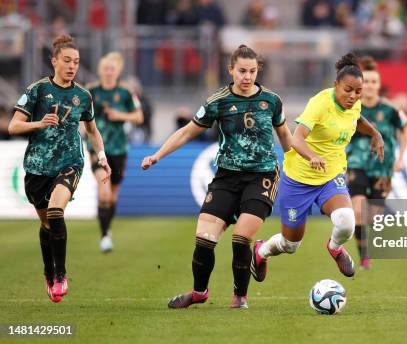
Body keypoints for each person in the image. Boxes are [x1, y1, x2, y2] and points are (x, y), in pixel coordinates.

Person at [141, 45, 292, 309]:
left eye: (252, 71)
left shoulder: (272, 101)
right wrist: (157, 155)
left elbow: (286, 138)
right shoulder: (218, 101)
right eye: (242, 71)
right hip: (226, 177)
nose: (247, 76)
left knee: (240, 238)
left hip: (262, 176)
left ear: (258, 71)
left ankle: (240, 297)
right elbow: (187, 132)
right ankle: (199, 293)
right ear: (231, 69)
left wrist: (300, 163)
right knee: (204, 240)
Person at [251, 53, 384, 283]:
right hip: (299, 177)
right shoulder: (320, 104)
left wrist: (375, 133)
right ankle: (261, 252)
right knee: (290, 244)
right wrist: (312, 156)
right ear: (336, 85)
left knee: (346, 220)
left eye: (357, 92)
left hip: (330, 175)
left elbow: (357, 119)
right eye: (348, 90)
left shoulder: (354, 103)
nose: (353, 96)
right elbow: (296, 139)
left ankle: (334, 248)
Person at [8, 35, 111, 303]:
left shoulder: (83, 96)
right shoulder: (37, 90)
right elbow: (13, 126)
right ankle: (49, 271)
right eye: (67, 60)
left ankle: (61, 274)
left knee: (56, 210)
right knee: (46, 223)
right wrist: (38, 123)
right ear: (54, 61)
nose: (72, 66)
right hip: (37, 167)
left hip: (70, 163)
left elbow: (92, 130)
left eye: (76, 62)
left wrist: (101, 156)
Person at [346, 56, 407, 269]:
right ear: (361, 85)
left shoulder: (390, 109)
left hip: (383, 166)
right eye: (368, 82)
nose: (371, 86)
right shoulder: (352, 108)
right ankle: (364, 257)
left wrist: (401, 157)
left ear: (379, 85)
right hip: (356, 163)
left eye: (375, 82)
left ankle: (365, 243)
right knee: (357, 210)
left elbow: (406, 127)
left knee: (373, 217)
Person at [87, 52, 143, 252]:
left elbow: (139, 117)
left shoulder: (126, 92)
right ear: (99, 70)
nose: (109, 72)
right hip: (98, 148)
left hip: (119, 149)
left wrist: (119, 115)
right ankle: (104, 236)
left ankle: (107, 229)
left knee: (112, 195)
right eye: (105, 68)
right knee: (103, 193)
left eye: (112, 69)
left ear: (118, 71)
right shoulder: (90, 92)